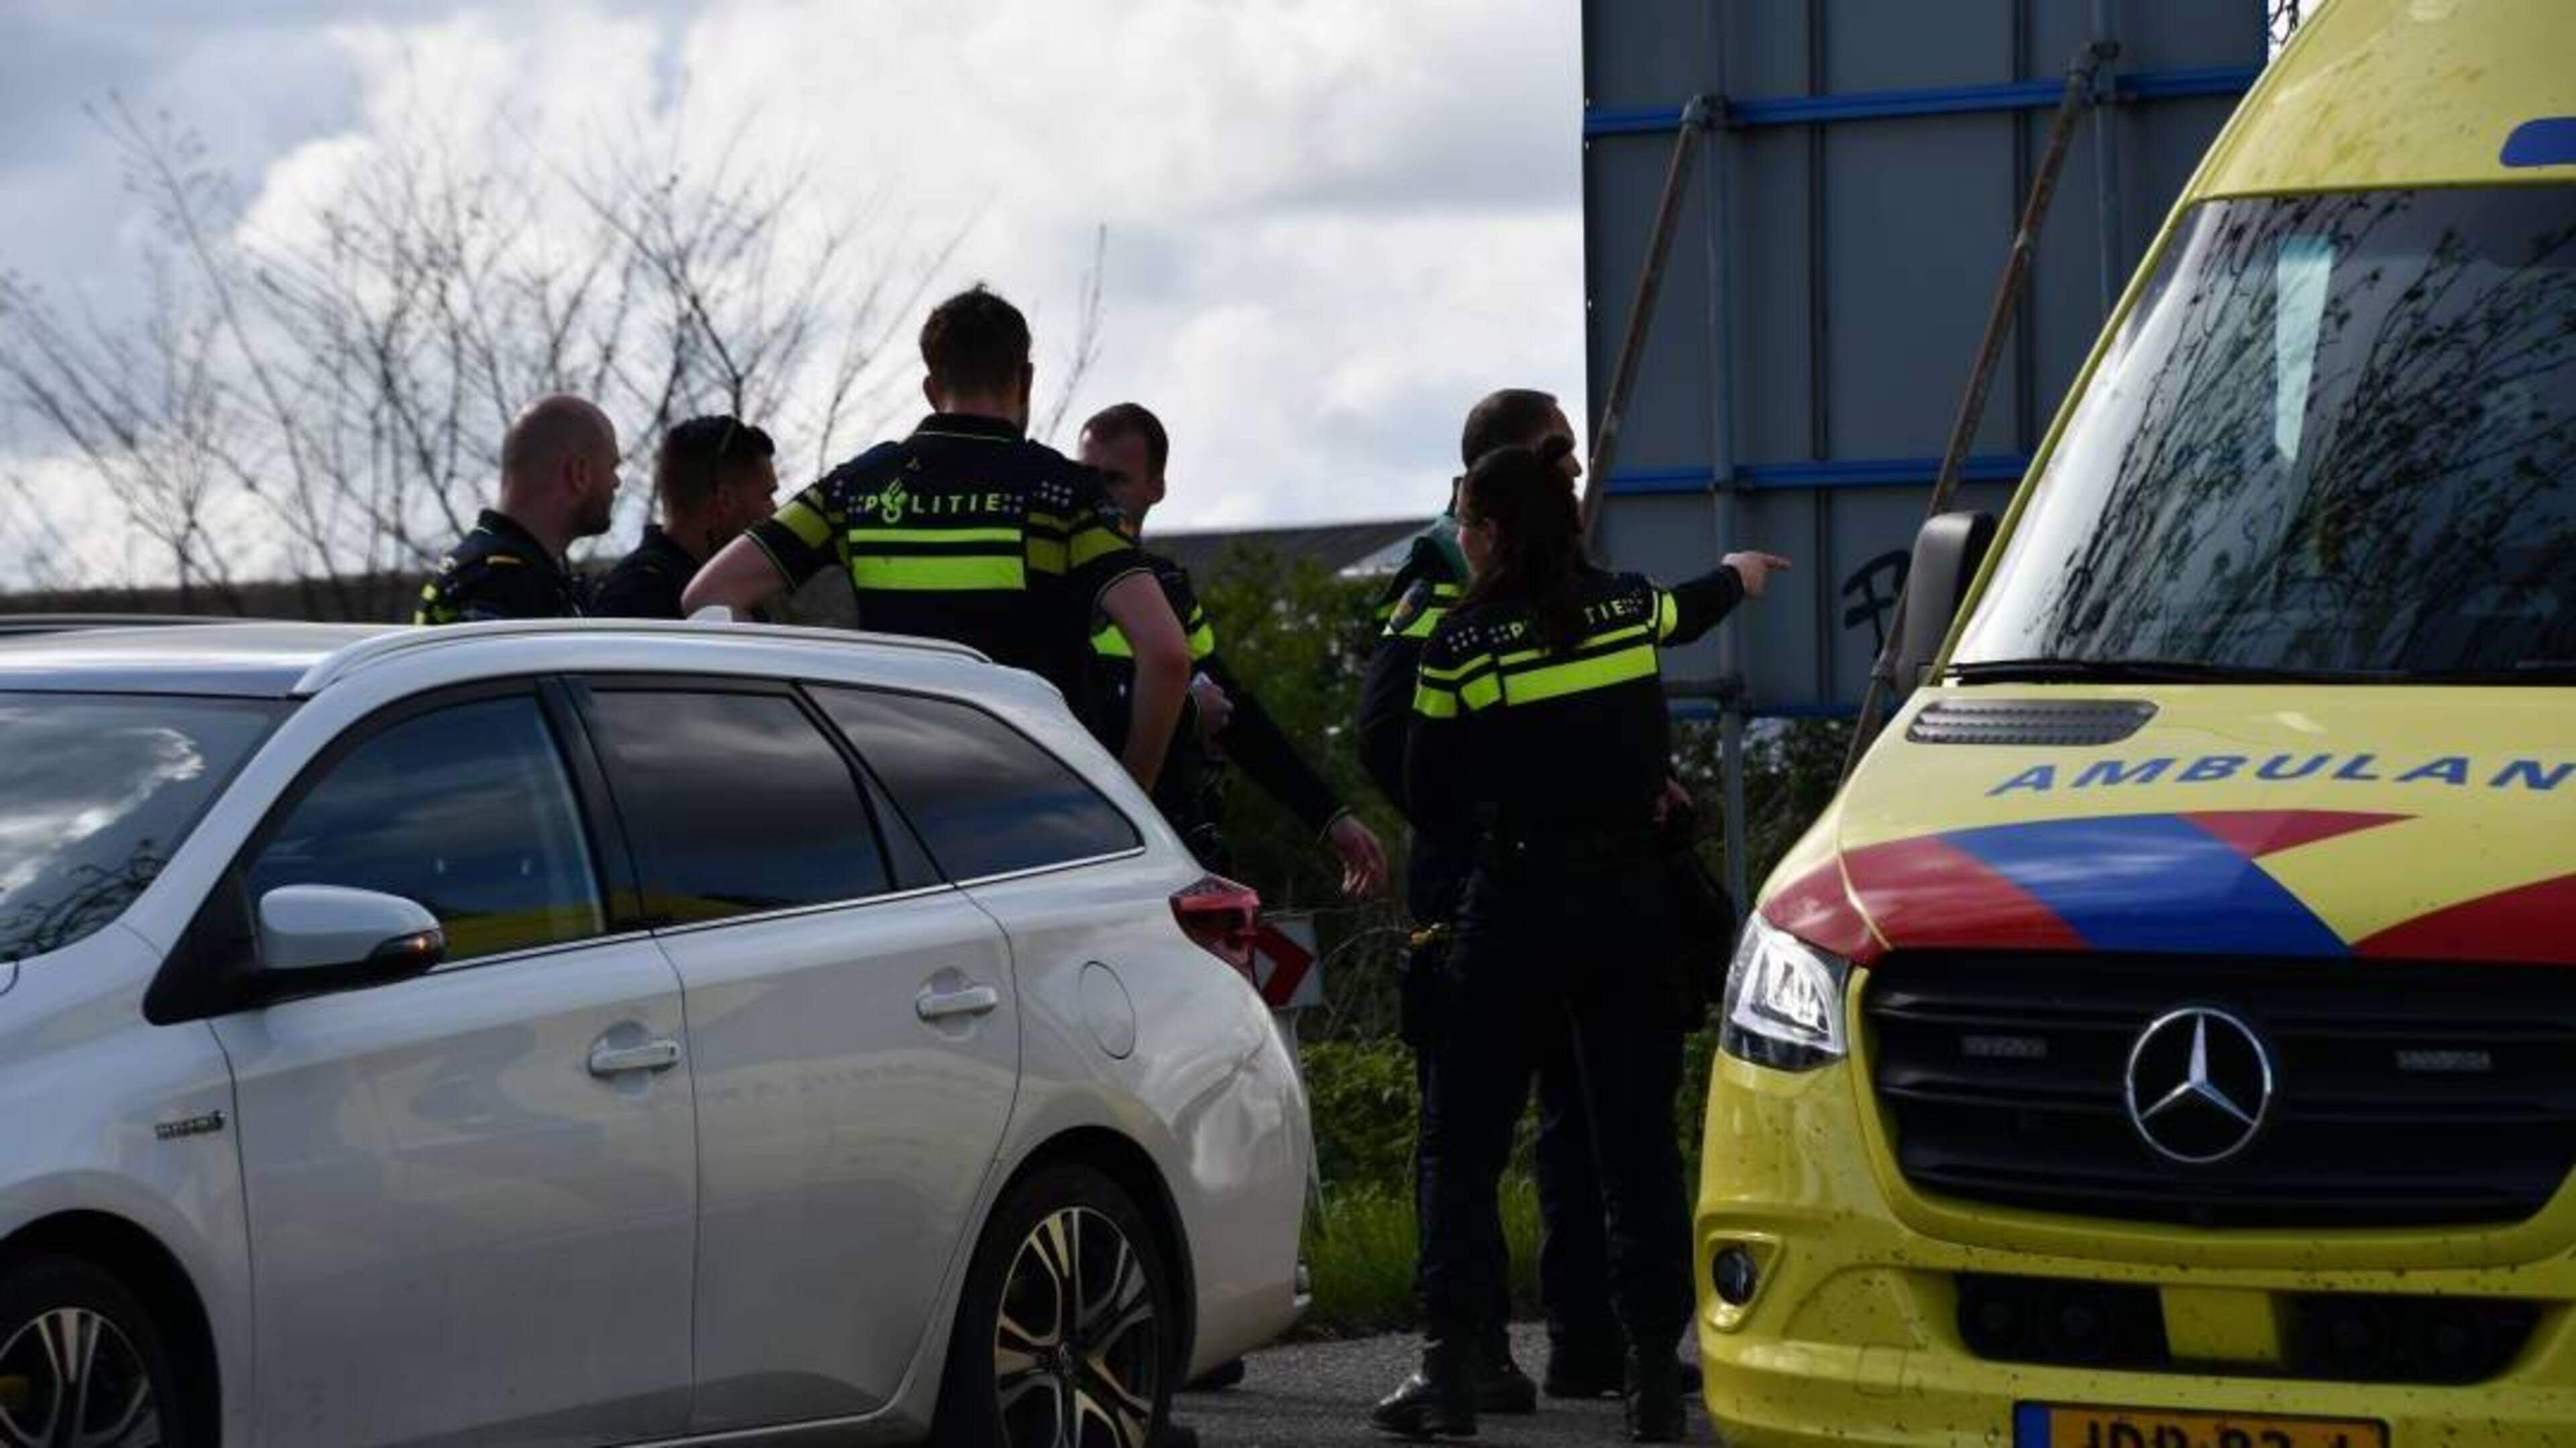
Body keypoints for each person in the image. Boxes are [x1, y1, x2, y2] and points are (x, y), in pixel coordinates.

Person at [1373, 438, 1788, 1443]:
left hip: (1514, 906)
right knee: (1635, 1143)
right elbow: (1692, 604)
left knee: (1464, 1145)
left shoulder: (1462, 645)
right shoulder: (1627, 607)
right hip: (1629, 912)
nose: (1463, 541)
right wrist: (1741, 573)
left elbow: (1429, 791)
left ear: (1494, 531)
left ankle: (1449, 1371)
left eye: (1469, 526)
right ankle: (1652, 1378)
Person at [1357, 389, 1625, 1414]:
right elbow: (1388, 731)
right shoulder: (1437, 570)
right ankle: (1468, 1349)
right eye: (1558, 450)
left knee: (1579, 1118)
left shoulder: (1565, 569)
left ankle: (1587, 1340)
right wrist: (1488, 819)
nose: (1575, 467)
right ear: (1502, 467)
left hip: (1565, 890)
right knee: (1463, 1134)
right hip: (1474, 897)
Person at [681, 287, 1192, 789]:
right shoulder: (1066, 497)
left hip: (901, 799)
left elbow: (709, 596)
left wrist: (804, 723)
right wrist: (1130, 792)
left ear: (931, 387)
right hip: (1042, 802)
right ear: (1026, 380)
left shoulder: (855, 488)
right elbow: (1167, 655)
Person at [1078, 403, 1389, 897]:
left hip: (1170, 845)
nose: (1096, 494)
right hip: (1085, 846)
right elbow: (1066, 714)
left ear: (1155, 489)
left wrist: (1330, 817)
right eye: (1085, 476)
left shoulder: (1167, 589)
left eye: (1114, 480)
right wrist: (1183, 714)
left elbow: (1238, 716)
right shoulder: (1054, 583)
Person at [415, 394, 621, 624]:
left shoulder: (504, 574)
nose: (616, 482)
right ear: (579, 474)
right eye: (612, 467)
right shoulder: (500, 585)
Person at [595, 414, 781, 619]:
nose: (774, 511)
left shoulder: (728, 591)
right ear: (725, 500)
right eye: (767, 496)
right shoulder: (640, 599)